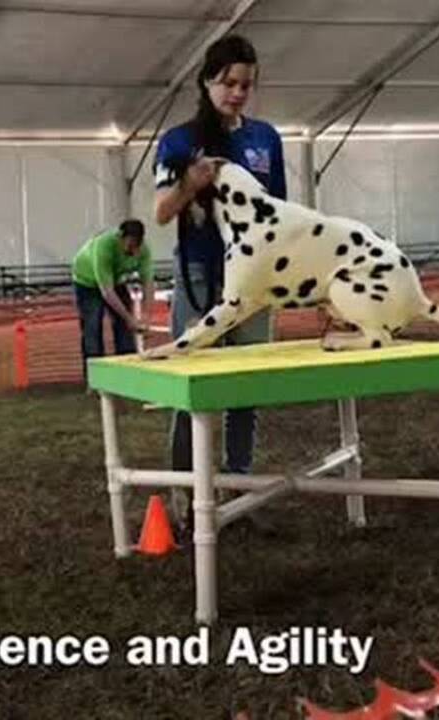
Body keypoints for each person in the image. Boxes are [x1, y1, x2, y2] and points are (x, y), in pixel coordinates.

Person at [152, 35, 286, 512]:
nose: (237, 92)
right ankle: (185, 498)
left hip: (252, 279)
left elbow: (278, 214)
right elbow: (162, 213)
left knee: (247, 383)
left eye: (245, 84)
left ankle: (238, 488)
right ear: (207, 81)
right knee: (192, 383)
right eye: (228, 82)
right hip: (200, 274)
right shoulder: (178, 141)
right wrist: (191, 183)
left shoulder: (266, 139)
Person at [71, 220, 154, 382]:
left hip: (116, 281)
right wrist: (130, 319)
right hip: (87, 282)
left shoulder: (144, 251)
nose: (133, 251)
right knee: (92, 328)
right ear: (120, 238)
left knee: (124, 330)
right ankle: (95, 380)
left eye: (137, 246)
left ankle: (128, 375)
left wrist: (146, 315)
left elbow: (149, 284)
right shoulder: (104, 246)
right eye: (130, 246)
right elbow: (106, 292)